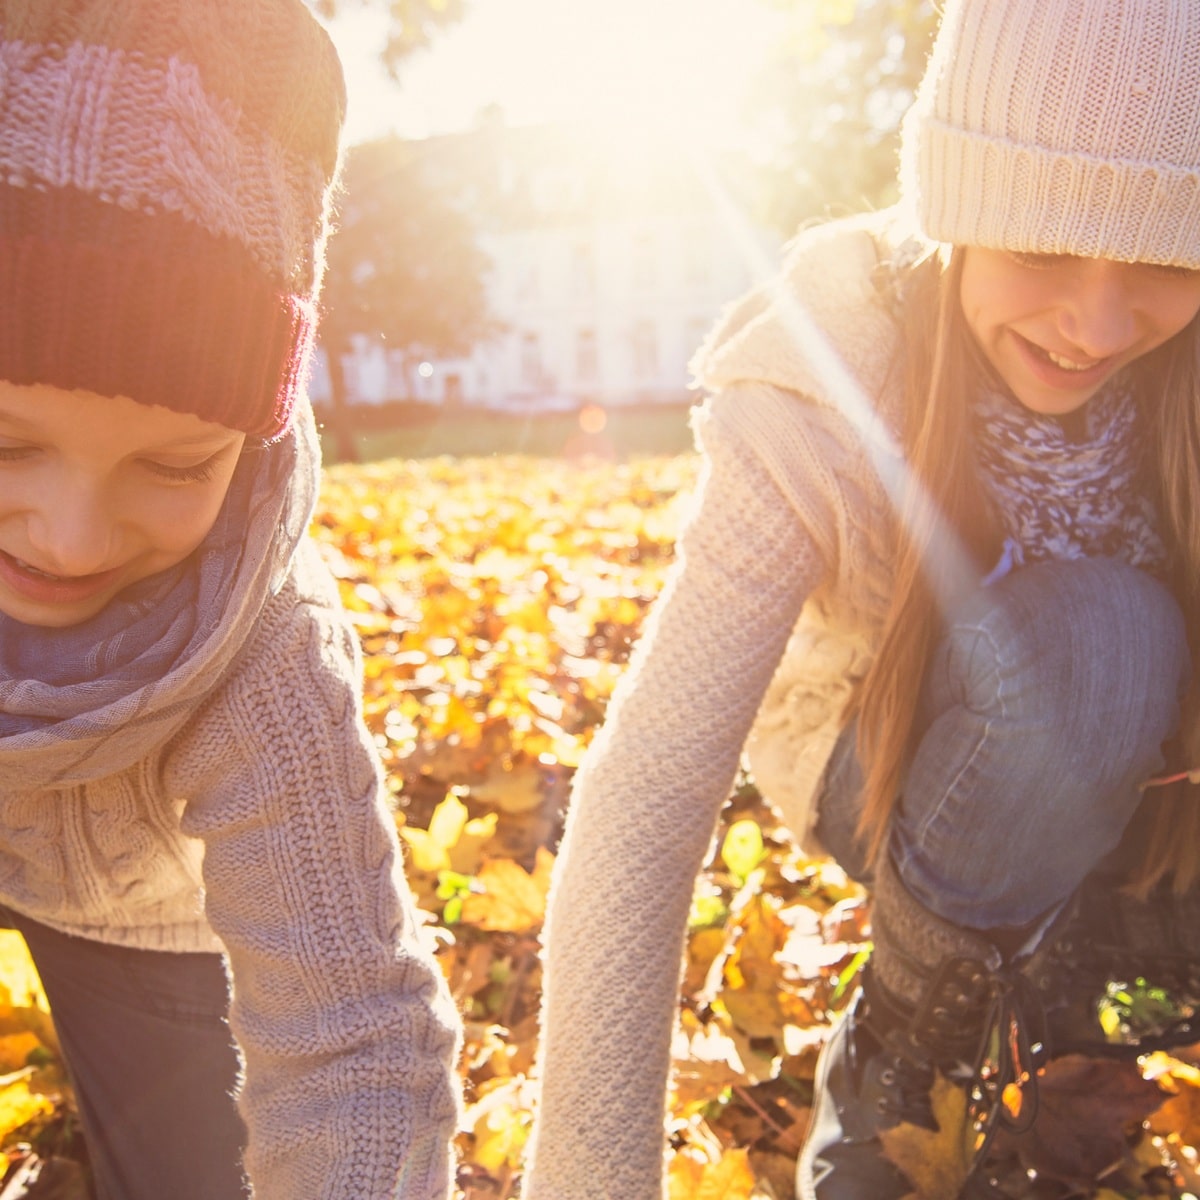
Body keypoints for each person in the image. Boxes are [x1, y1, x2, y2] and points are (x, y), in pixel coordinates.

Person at [523, 1, 1200, 1197]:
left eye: (1164, 260)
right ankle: (911, 1040)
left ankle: (1082, 962)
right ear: (957, 210)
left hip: (1151, 782)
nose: (1098, 324)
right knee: (1097, 652)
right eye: (1044, 247)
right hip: (886, 756)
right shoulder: (828, 373)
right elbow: (652, 788)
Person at [0, 2, 462, 1197]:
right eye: (7, 444)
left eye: (173, 466)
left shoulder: (261, 648)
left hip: (133, 912)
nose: (70, 537)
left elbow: (354, 1044)